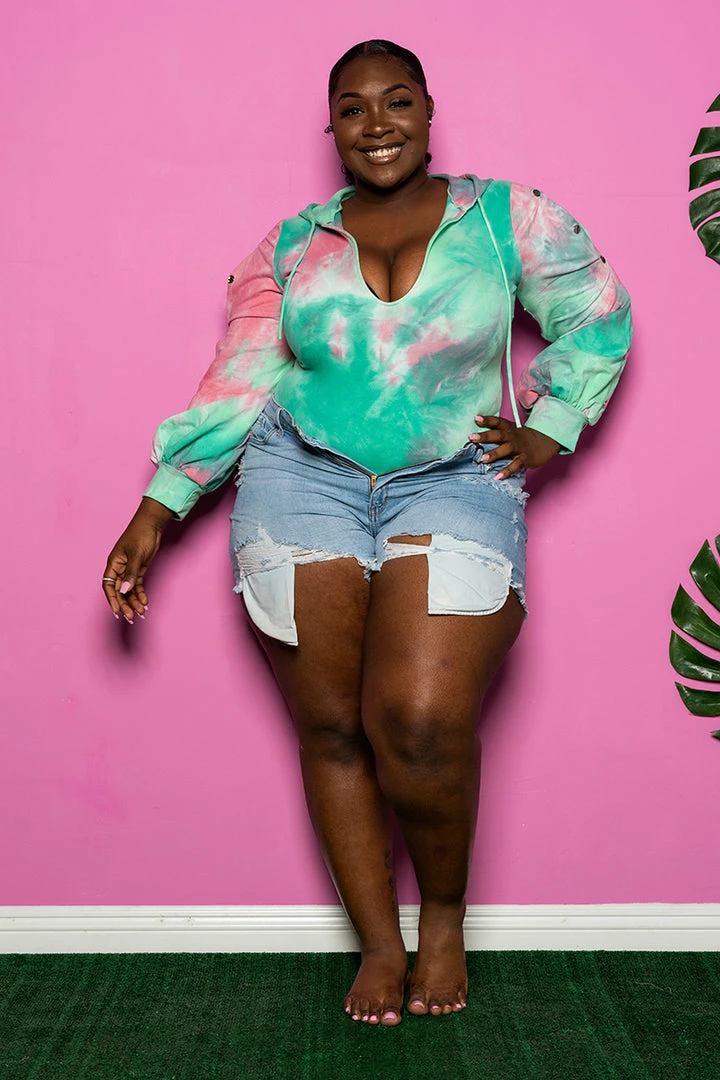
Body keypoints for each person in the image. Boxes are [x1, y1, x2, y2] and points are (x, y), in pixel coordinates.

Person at [102, 40, 632, 1025]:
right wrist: (156, 512)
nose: (377, 123)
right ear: (333, 128)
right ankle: (381, 946)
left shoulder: (507, 218)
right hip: (298, 477)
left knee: (421, 721)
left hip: (457, 476)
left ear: (429, 112)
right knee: (333, 727)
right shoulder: (290, 246)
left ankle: (444, 918)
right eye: (353, 108)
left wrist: (552, 427)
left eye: (396, 102)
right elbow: (239, 382)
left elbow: (596, 312)